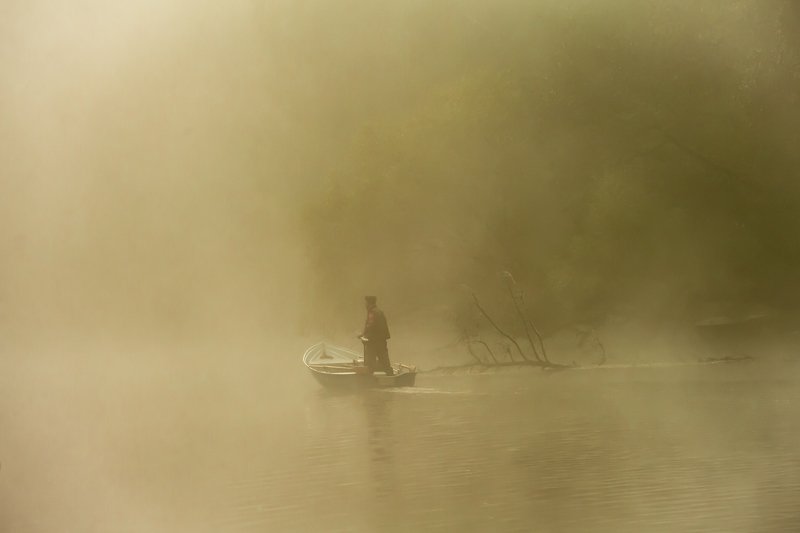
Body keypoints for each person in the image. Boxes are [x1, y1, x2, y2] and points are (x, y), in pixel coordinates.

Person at [359, 295, 393, 375]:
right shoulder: (379, 311)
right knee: (385, 362)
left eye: (366, 303)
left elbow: (370, 326)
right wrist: (364, 334)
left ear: (369, 303)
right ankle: (391, 377)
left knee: (370, 363)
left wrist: (364, 336)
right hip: (381, 341)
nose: (365, 305)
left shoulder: (372, 312)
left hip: (373, 342)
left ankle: (369, 379)